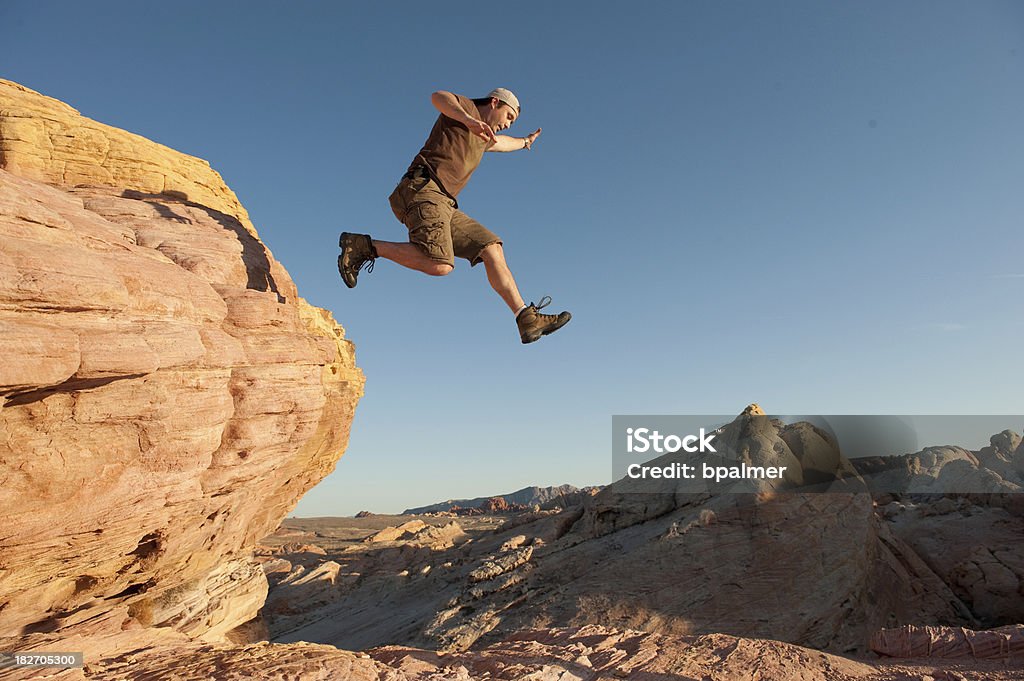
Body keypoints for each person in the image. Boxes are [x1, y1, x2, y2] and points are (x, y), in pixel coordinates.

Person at [338, 88, 571, 344]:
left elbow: (502, 143)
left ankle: (525, 318)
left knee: (491, 247)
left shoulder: (485, 136)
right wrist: (468, 119)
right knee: (440, 265)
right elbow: (438, 97)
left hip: (445, 204)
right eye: (509, 116)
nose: (507, 124)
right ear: (495, 102)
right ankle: (364, 246)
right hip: (422, 188)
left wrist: (525, 141)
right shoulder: (465, 110)